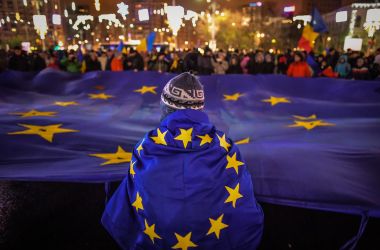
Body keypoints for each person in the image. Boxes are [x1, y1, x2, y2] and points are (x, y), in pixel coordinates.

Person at [102, 72, 264, 250]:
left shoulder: (147, 146)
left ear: (165, 107)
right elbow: (243, 197)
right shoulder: (225, 147)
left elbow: (131, 193)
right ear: (200, 108)